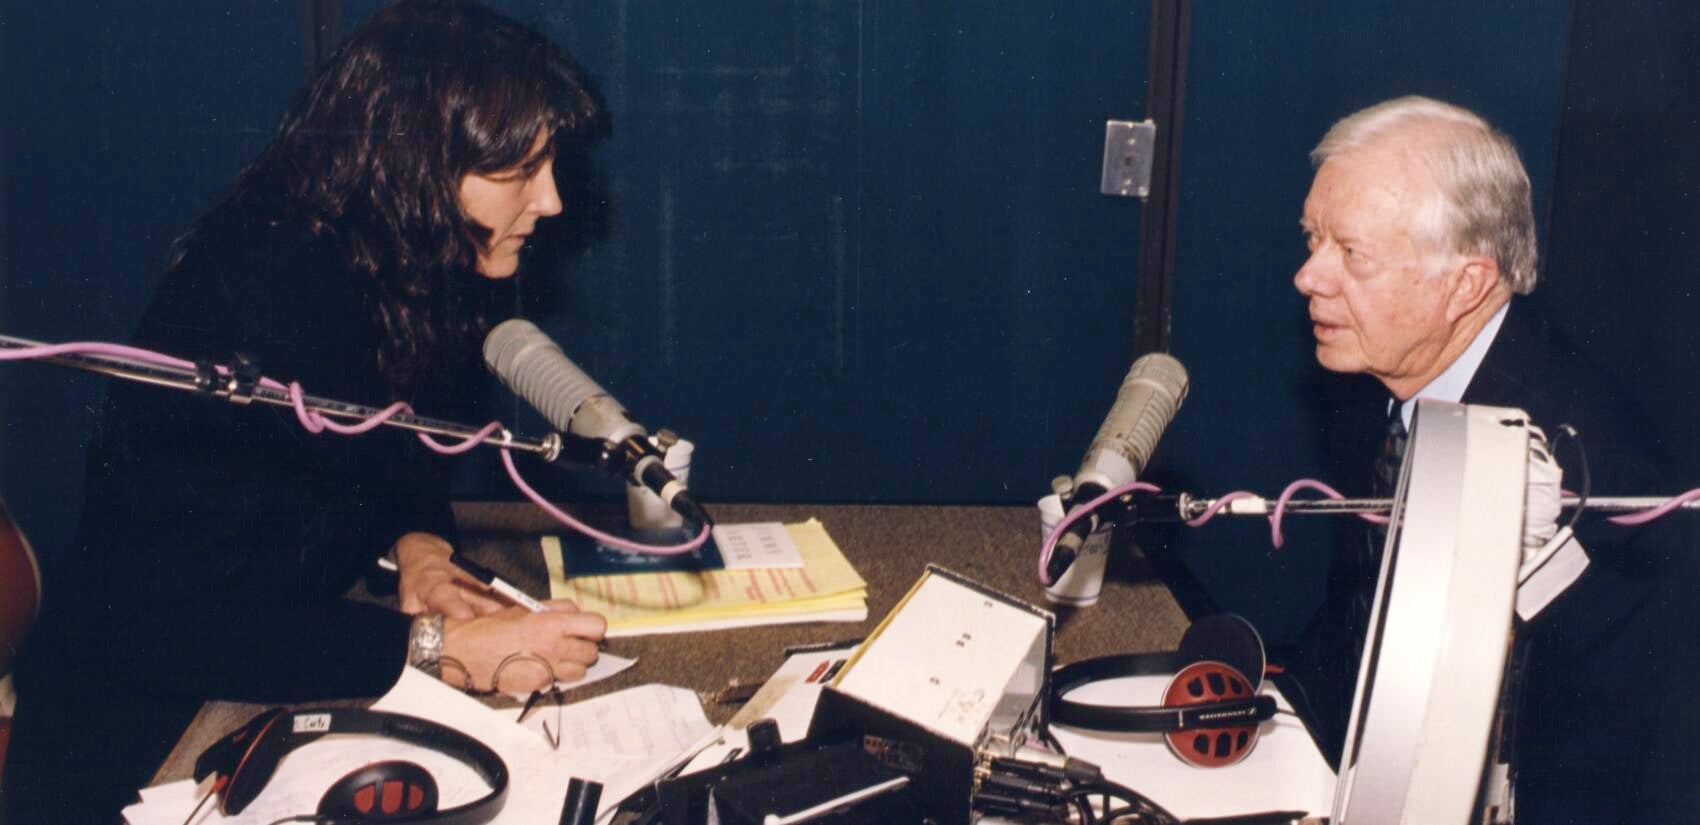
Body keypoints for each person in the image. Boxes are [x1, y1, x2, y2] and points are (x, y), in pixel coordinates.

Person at [3, 2, 612, 820]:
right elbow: (164, 615)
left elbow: (390, 455)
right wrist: (439, 646)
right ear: (416, 165)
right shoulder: (255, 296)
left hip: (256, 686)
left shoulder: (408, 267)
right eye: (518, 172)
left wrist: (421, 551)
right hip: (133, 749)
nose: (552, 201)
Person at [1287, 95, 1699, 823]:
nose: (1309, 277)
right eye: (1312, 240)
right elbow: (1360, 635)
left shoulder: (1587, 473)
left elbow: (1591, 766)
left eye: (1350, 253)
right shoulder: (1383, 382)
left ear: (1466, 284)